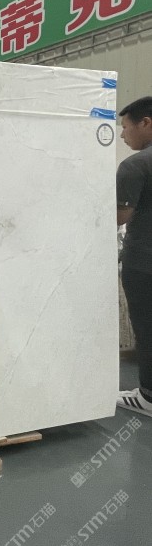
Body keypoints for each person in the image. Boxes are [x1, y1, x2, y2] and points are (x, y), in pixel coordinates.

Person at [117, 96, 152, 416]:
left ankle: (148, 397)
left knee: (146, 327)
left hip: (143, 264)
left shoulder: (135, 165)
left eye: (126, 127)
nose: (123, 134)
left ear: (146, 123)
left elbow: (119, 216)